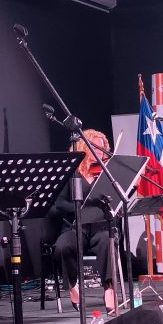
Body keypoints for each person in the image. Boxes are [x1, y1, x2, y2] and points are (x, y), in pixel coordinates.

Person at [48, 129, 115, 314]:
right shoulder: (71, 172)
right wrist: (79, 206)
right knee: (63, 245)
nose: (101, 153)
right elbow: (58, 203)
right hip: (75, 226)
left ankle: (109, 288)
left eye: (103, 149)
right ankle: (72, 285)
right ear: (84, 148)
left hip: (100, 225)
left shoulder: (106, 171)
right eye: (97, 149)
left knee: (107, 242)